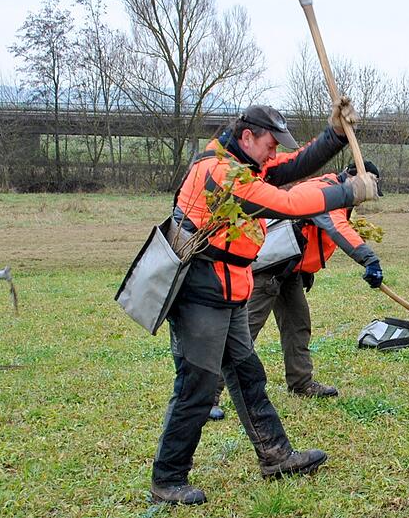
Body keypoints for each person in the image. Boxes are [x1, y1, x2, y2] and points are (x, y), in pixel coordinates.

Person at [149, 98, 379, 505]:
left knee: (248, 374)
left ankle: (275, 456)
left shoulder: (243, 162)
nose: (274, 153)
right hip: (200, 293)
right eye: (270, 144)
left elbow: (293, 166)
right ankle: (167, 477)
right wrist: (349, 191)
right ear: (247, 136)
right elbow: (289, 203)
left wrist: (336, 134)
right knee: (196, 387)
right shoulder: (221, 172)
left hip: (229, 289)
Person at [208, 161, 384, 421]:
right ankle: (207, 396)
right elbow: (336, 228)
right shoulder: (326, 192)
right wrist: (368, 259)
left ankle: (300, 382)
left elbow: (310, 232)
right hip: (269, 267)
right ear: (351, 177)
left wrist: (306, 270)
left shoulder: (334, 191)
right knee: (243, 334)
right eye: (364, 189)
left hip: (289, 269)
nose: (362, 199)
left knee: (297, 324)